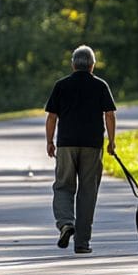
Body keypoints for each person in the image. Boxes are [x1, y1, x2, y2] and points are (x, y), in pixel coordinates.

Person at [44, 45, 117, 254]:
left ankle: (66, 223)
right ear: (92, 65)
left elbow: (52, 117)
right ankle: (82, 243)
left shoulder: (61, 85)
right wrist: (111, 142)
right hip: (92, 146)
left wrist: (50, 141)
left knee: (63, 187)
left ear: (73, 64)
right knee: (88, 192)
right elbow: (109, 115)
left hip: (66, 144)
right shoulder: (100, 85)